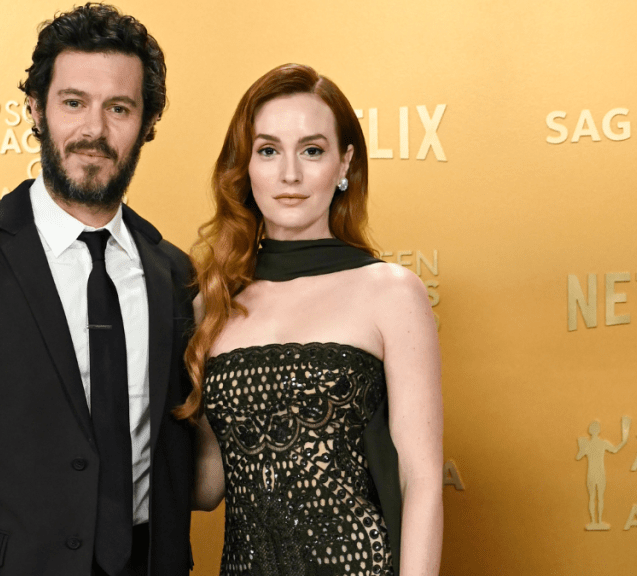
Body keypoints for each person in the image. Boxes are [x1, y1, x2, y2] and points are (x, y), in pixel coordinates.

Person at [0, 5, 195, 576]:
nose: (94, 131)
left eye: (120, 108)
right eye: (73, 102)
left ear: (147, 122)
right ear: (36, 108)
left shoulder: (174, 276)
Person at [185, 64, 443, 576]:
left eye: (312, 150)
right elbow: (210, 483)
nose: (289, 175)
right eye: (268, 150)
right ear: (246, 167)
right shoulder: (211, 303)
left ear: (344, 163)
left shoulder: (392, 293)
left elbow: (422, 480)